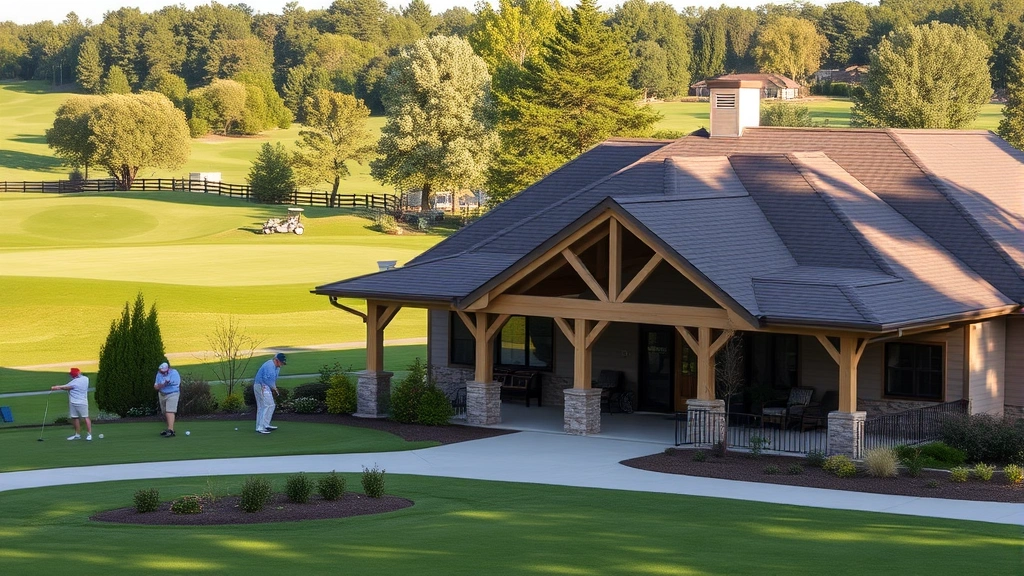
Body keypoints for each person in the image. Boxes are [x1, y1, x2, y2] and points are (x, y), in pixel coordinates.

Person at [51, 368, 92, 441]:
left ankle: (89, 434)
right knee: (75, 417)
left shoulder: (74, 382)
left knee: (85, 417)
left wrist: (56, 387)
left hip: (81, 402)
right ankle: (77, 435)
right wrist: (59, 387)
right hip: (74, 402)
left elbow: (66, 387)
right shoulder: (85, 379)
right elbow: (67, 387)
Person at [253, 352, 286, 434]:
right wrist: (274, 388)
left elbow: (272, 380)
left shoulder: (276, 367)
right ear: (276, 360)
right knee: (267, 405)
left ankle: (264, 425)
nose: (282, 364)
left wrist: (274, 388)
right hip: (262, 386)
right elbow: (267, 379)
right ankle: (261, 427)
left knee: (266, 406)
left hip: (264, 386)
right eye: (281, 362)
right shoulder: (270, 366)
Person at [154, 361, 181, 437]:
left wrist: (164, 384)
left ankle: (170, 430)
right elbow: (156, 386)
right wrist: (162, 385)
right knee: (165, 412)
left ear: (168, 369)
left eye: (164, 372)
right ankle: (169, 428)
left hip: (173, 394)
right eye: (161, 372)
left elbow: (175, 384)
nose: (162, 373)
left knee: (169, 411)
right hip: (162, 394)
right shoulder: (159, 374)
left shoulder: (174, 373)